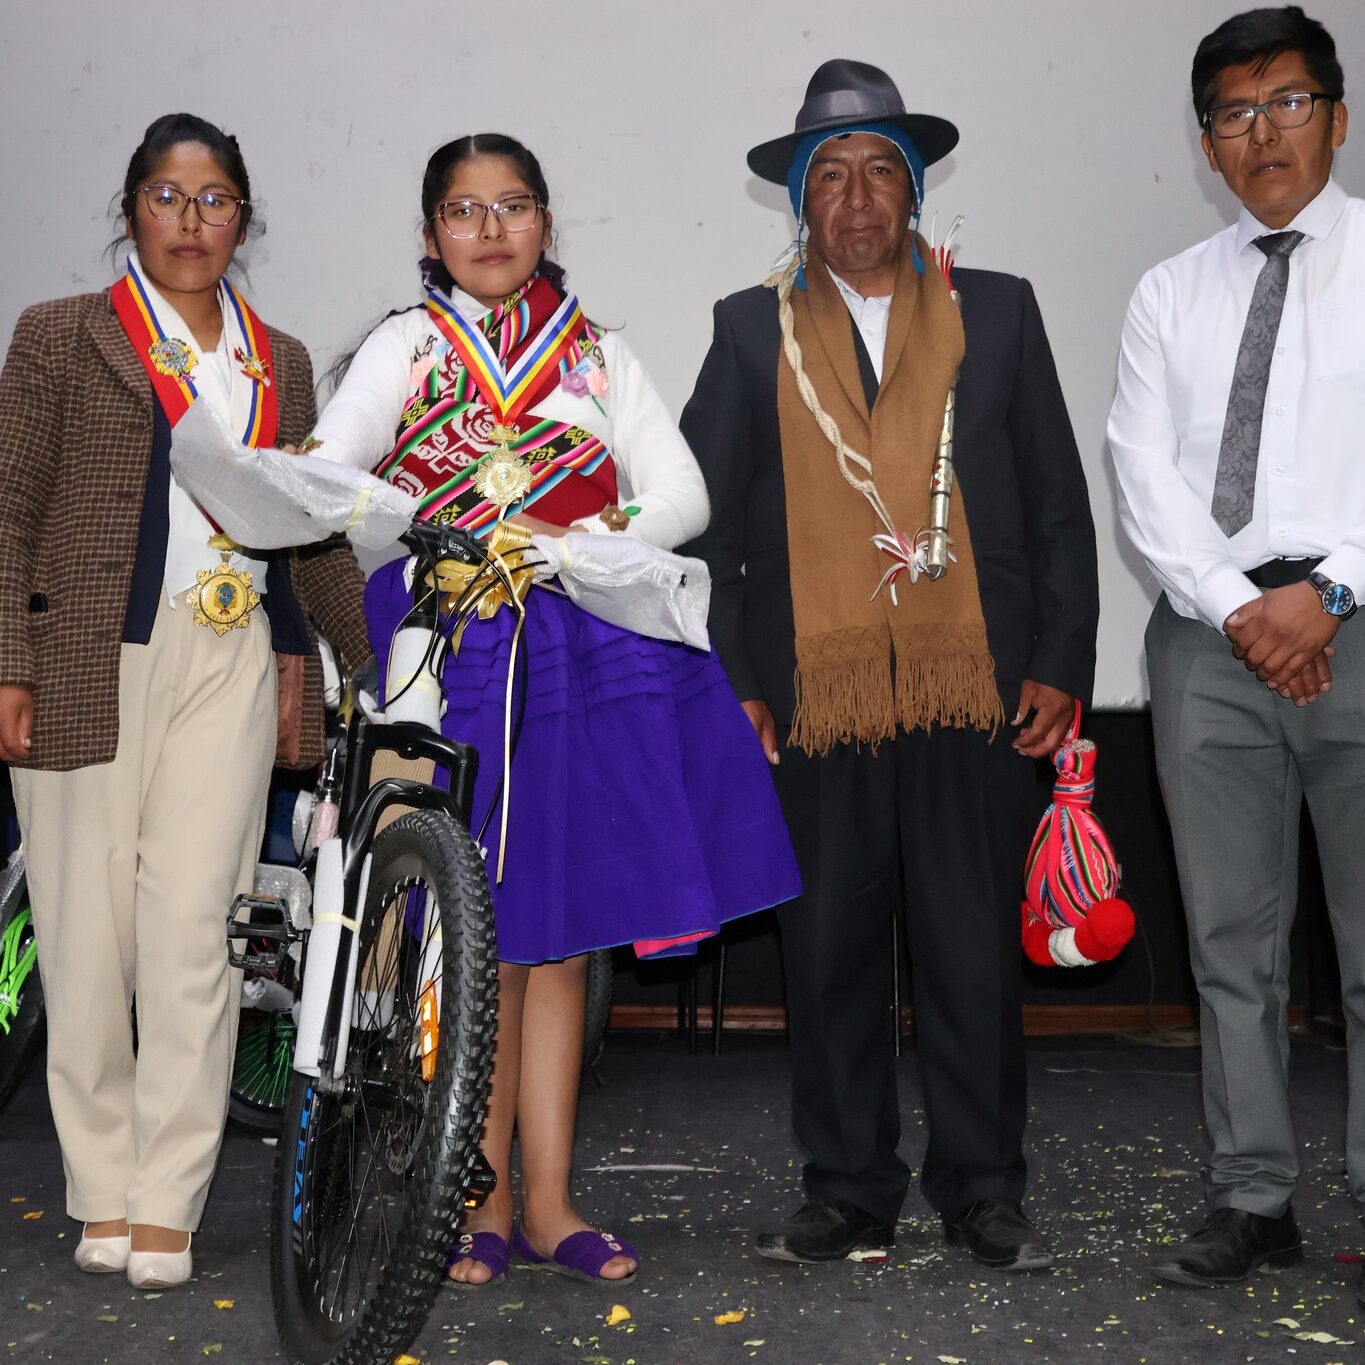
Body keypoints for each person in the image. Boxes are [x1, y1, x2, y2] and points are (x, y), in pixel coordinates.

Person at [308, 132, 800, 1286]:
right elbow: (335, 470)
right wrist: (393, 511)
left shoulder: (597, 353)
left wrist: (575, 542)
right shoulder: (404, 345)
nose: (492, 230)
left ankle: (549, 1204)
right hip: (455, 657)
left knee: (564, 936)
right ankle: (472, 1202)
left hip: (578, 654)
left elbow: (683, 496)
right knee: (474, 935)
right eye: (466, 210)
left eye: (515, 206)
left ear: (544, 224)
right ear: (431, 234)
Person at [680, 60, 1099, 1269]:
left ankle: (984, 1188)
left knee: (970, 946)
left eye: (880, 171)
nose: (857, 197)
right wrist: (735, 681)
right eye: (831, 176)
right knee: (828, 951)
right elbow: (707, 526)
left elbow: (1058, 504)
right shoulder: (749, 329)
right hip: (817, 692)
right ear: (799, 201)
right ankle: (848, 1190)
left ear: (914, 191)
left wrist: (1061, 657)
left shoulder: (999, 311)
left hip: (978, 685)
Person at [0, 114, 372, 1290]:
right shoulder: (62, 334)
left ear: (243, 220)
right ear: (131, 210)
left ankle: (168, 1198)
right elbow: (10, 505)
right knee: (85, 938)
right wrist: (8, 663)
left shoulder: (281, 361)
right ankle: (101, 1186)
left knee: (192, 936)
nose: (191, 220)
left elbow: (310, 533)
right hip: (85, 660)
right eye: (167, 196)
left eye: (214, 200)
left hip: (233, 661)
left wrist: (374, 659)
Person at [1108, 6, 1365, 1292]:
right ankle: (1253, 1195)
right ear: (1206, 143)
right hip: (1212, 645)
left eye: (1288, 102)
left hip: (1357, 624)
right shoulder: (1169, 292)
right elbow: (1141, 470)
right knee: (1232, 948)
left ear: (1338, 115)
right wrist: (1241, 610)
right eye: (1234, 113)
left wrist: (1333, 590)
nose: (1263, 132)